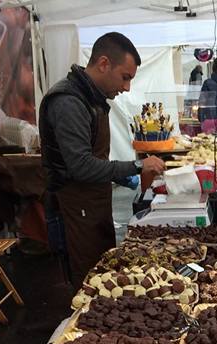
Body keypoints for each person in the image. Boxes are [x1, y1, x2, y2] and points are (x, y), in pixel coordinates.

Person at [39, 32, 165, 283]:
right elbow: (81, 166)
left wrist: (127, 177)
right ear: (104, 63)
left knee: (103, 276)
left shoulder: (92, 98)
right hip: (74, 210)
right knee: (86, 283)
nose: (127, 87)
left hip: (93, 206)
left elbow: (93, 158)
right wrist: (137, 165)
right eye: (125, 77)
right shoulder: (69, 102)